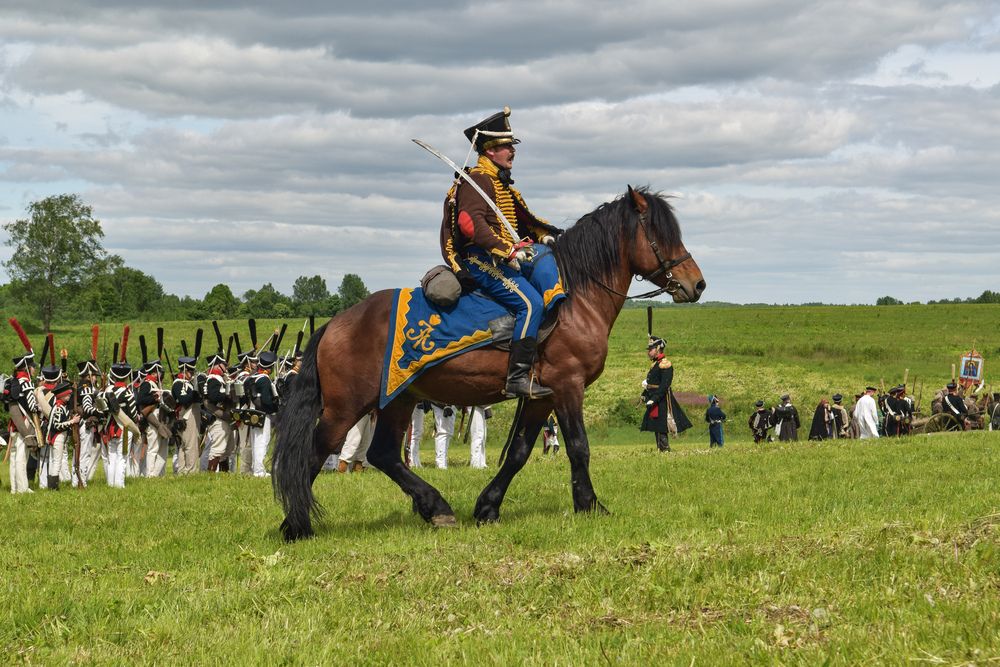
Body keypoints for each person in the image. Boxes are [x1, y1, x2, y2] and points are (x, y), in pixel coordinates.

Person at [439, 107, 566, 399]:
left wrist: (540, 235)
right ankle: (517, 378)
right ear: (489, 150)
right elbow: (469, 224)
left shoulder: (501, 183)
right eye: (506, 146)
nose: (512, 151)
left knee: (543, 255)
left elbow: (520, 220)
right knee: (530, 305)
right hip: (482, 259)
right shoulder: (478, 181)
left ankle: (556, 299)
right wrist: (505, 249)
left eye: (511, 146)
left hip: (510, 254)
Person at [640, 335, 691, 452]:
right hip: (654, 397)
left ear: (658, 348)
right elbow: (652, 382)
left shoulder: (665, 364)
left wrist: (654, 398)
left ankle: (665, 449)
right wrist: (644, 394)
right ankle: (660, 448)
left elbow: (664, 385)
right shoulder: (655, 364)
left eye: (651, 349)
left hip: (662, 399)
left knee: (661, 425)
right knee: (655, 425)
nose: (648, 352)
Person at [7, 350, 39, 494]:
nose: (35, 369)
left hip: (14, 422)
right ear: (27, 367)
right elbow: (32, 406)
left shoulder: (15, 380)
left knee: (14, 456)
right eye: (33, 366)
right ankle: (23, 488)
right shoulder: (25, 382)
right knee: (21, 457)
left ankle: (15, 488)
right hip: (24, 422)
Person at [39, 382, 78, 490]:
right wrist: (72, 421)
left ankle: (52, 486)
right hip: (58, 437)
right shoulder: (59, 408)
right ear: (62, 395)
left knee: (55, 461)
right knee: (57, 462)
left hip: (58, 437)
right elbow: (57, 426)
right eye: (68, 394)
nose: (69, 396)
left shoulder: (61, 407)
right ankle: (53, 487)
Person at [247, 350, 279, 477]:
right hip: (263, 413)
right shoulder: (264, 380)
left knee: (256, 441)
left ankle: (256, 468)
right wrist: (275, 407)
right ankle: (259, 471)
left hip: (253, 412)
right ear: (269, 367)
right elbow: (266, 400)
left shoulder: (252, 377)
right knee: (262, 441)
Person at [203, 352, 234, 472]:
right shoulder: (213, 379)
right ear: (217, 366)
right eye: (224, 365)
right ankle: (211, 475)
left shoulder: (220, 378)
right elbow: (214, 397)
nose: (226, 368)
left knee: (227, 448)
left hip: (224, 418)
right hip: (218, 418)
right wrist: (227, 394)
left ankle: (223, 474)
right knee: (218, 448)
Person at [171, 356, 202, 474]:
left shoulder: (185, 383)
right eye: (190, 371)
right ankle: (190, 471)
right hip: (187, 416)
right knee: (190, 445)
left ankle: (183, 471)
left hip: (191, 415)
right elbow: (184, 400)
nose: (192, 374)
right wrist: (194, 391)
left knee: (185, 445)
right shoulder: (179, 383)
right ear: (184, 370)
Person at [431, 403, 456, 469]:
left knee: (447, 433)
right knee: (443, 433)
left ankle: (442, 462)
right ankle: (440, 464)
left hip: (450, 403)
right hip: (440, 402)